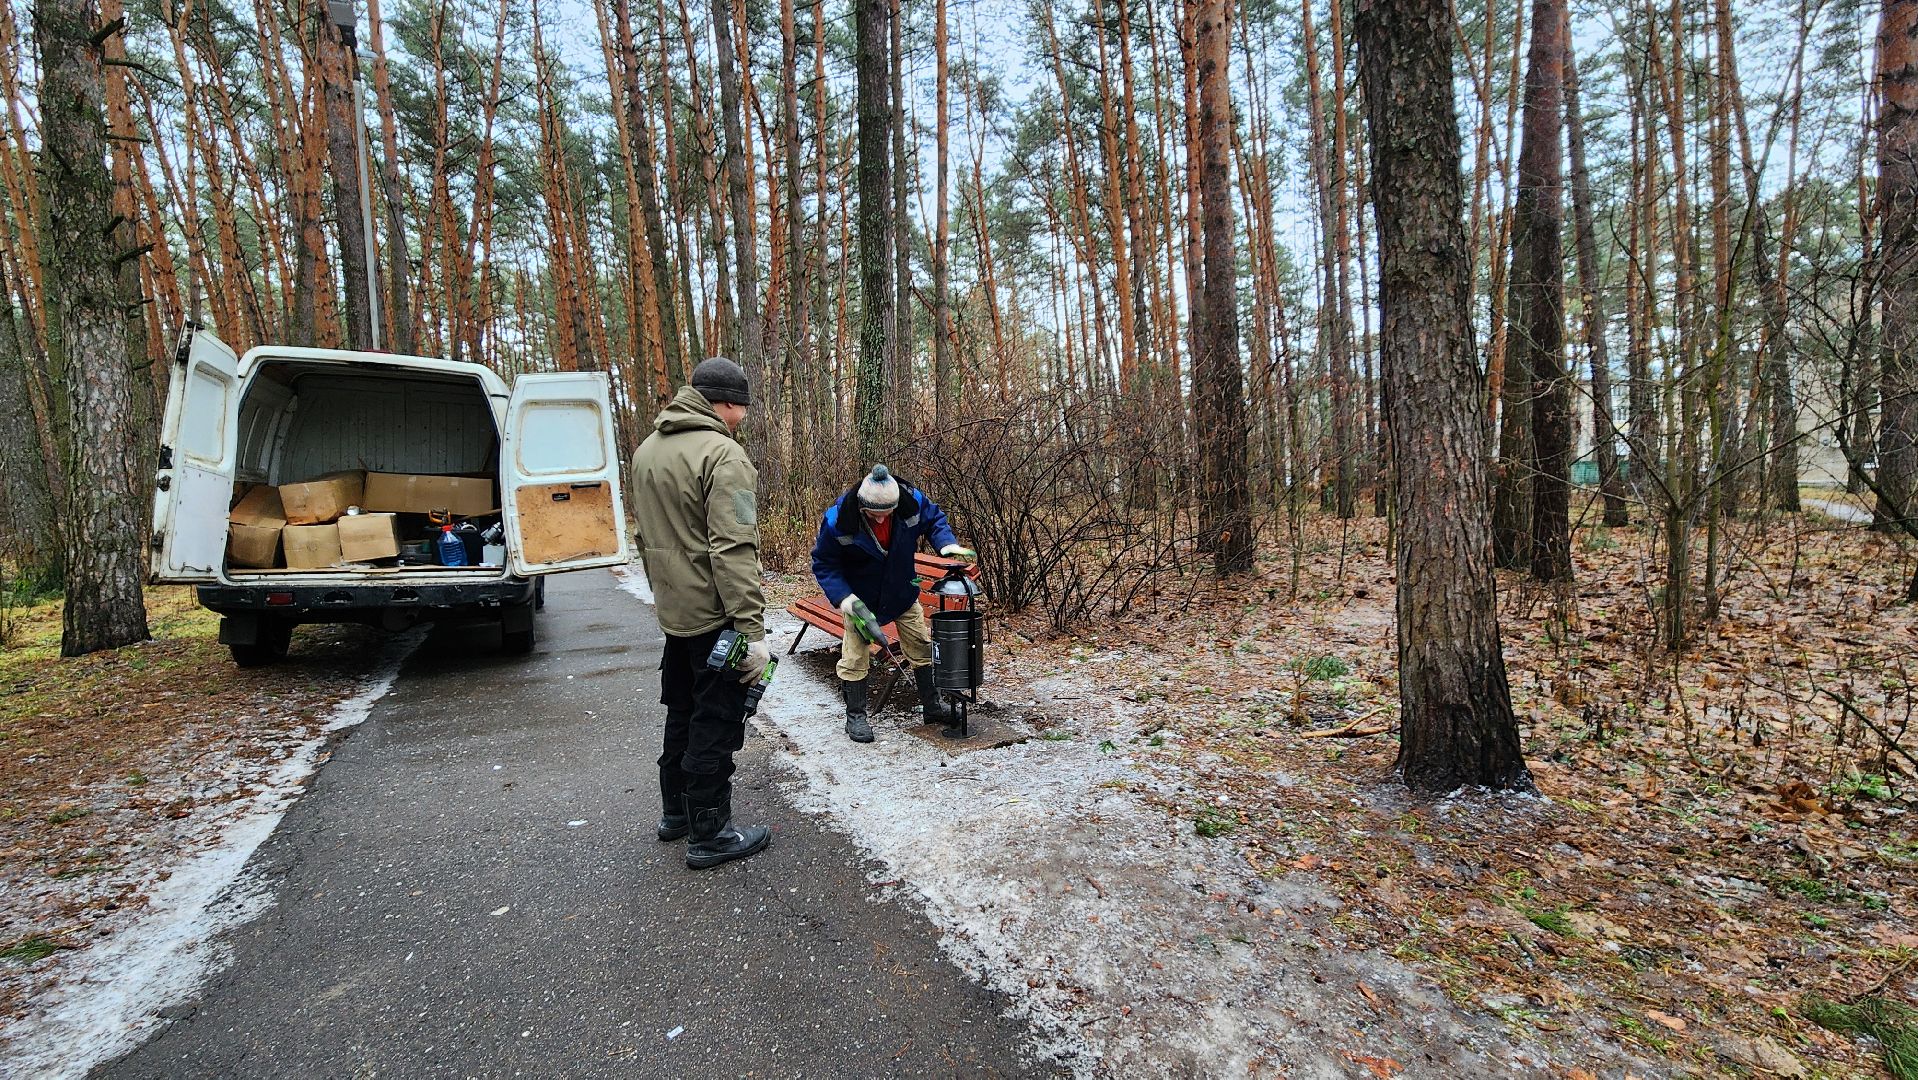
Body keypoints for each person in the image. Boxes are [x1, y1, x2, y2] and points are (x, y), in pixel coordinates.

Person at [628, 357, 772, 869]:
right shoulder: (723, 456)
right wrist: (751, 629)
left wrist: (667, 596)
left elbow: (644, 539)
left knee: (682, 712)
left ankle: (677, 814)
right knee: (717, 719)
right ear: (729, 402)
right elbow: (734, 549)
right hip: (716, 617)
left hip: (675, 615)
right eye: (743, 407)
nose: (743, 417)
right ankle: (710, 833)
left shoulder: (646, 452)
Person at [811, 465, 975, 743]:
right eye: (873, 514)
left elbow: (934, 519)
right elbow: (824, 563)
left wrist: (946, 543)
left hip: (901, 593)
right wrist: (846, 600)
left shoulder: (911, 502)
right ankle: (856, 716)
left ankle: (932, 706)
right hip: (860, 599)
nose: (880, 519)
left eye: (886, 514)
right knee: (853, 658)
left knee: (921, 647)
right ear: (862, 505)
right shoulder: (837, 519)